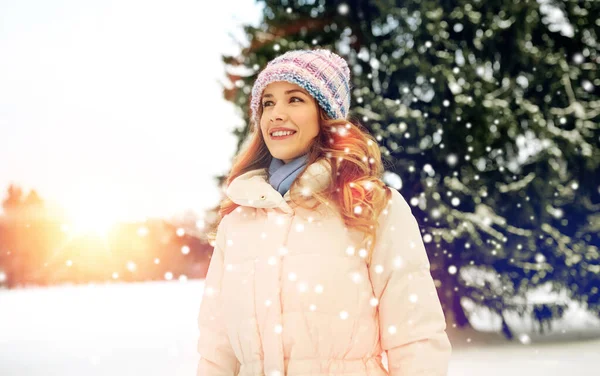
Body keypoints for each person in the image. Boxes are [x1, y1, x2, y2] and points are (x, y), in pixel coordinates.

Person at [196, 49, 452, 376]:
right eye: (268, 103)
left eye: (295, 99)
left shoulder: (372, 207)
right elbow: (216, 349)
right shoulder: (238, 222)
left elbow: (415, 337)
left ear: (324, 115)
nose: (276, 114)